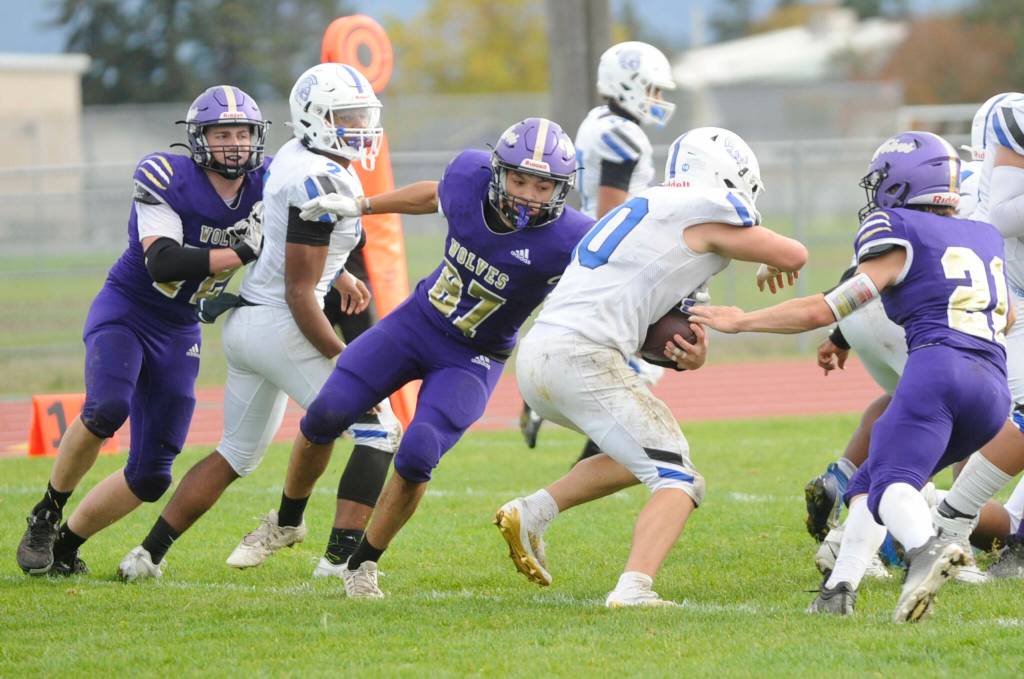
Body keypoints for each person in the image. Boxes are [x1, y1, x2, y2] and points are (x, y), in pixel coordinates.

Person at [690, 131, 1012, 622]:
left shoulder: (898, 228)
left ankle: (926, 550)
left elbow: (826, 308)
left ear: (901, 184)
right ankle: (839, 590)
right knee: (870, 479)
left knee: (892, 483)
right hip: (992, 388)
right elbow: (1008, 318)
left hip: (937, 370)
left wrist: (743, 320)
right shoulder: (983, 235)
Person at [272, 116, 593, 598]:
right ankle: (286, 521)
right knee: (326, 411)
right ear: (498, 173)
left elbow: (619, 275)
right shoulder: (469, 177)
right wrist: (362, 205)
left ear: (561, 189)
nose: (529, 195)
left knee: (419, 452)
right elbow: (434, 196)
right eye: (519, 180)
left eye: (543, 186)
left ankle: (362, 564)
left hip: (474, 356)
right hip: (417, 323)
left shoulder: (573, 238)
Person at [496, 127, 807, 607]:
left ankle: (532, 512)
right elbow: (795, 254)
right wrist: (770, 260)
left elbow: (656, 327)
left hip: (541, 356)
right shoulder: (701, 209)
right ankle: (634, 587)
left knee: (636, 456)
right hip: (582, 357)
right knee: (680, 476)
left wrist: (691, 353)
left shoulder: (648, 208)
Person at [115, 64, 401, 581]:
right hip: (281, 323)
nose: (360, 127)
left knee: (235, 454)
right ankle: (338, 562)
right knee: (379, 430)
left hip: (248, 320)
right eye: (347, 117)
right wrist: (345, 357)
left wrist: (336, 275)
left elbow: (287, 238)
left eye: (363, 116)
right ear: (315, 119)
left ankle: (146, 555)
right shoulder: (321, 176)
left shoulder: (291, 157)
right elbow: (299, 292)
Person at [16, 86, 269, 576]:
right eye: (222, 134)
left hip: (180, 327)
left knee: (152, 476)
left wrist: (342, 274)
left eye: (242, 133)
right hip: (129, 310)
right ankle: (47, 513)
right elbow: (163, 262)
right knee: (107, 407)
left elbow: (308, 229)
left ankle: (66, 547)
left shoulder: (269, 181)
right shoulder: (166, 176)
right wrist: (242, 252)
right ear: (199, 138)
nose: (235, 144)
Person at [520, 41, 677, 461]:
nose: (656, 99)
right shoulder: (623, 135)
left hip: (593, 248)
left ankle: (548, 411)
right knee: (637, 368)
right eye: (651, 89)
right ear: (628, 83)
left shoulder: (598, 121)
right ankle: (586, 464)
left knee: (620, 364)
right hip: (612, 255)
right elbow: (612, 210)